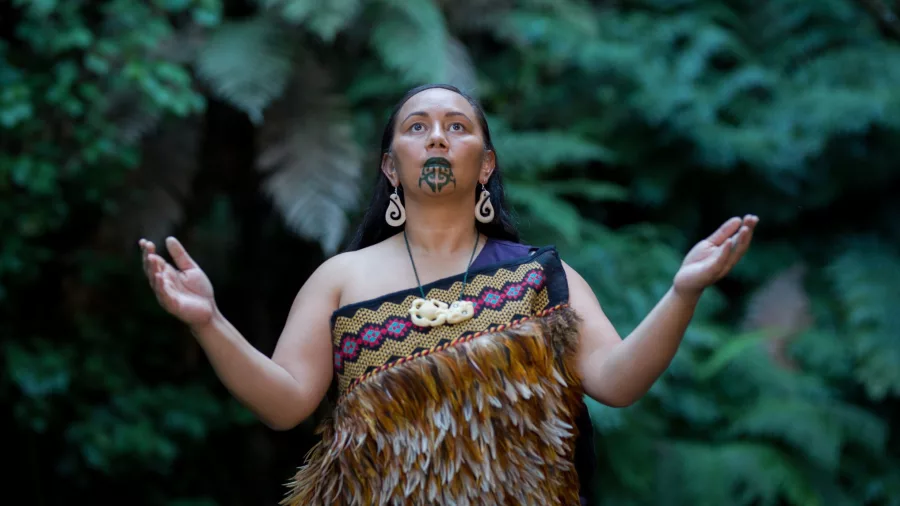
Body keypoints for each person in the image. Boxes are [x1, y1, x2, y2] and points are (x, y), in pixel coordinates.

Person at [139, 84, 758, 505]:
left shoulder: (539, 274)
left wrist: (682, 292)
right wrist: (209, 321)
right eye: (418, 127)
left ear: (484, 165)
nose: (437, 137)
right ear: (391, 166)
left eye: (457, 127)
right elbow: (284, 404)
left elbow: (617, 382)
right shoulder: (341, 278)